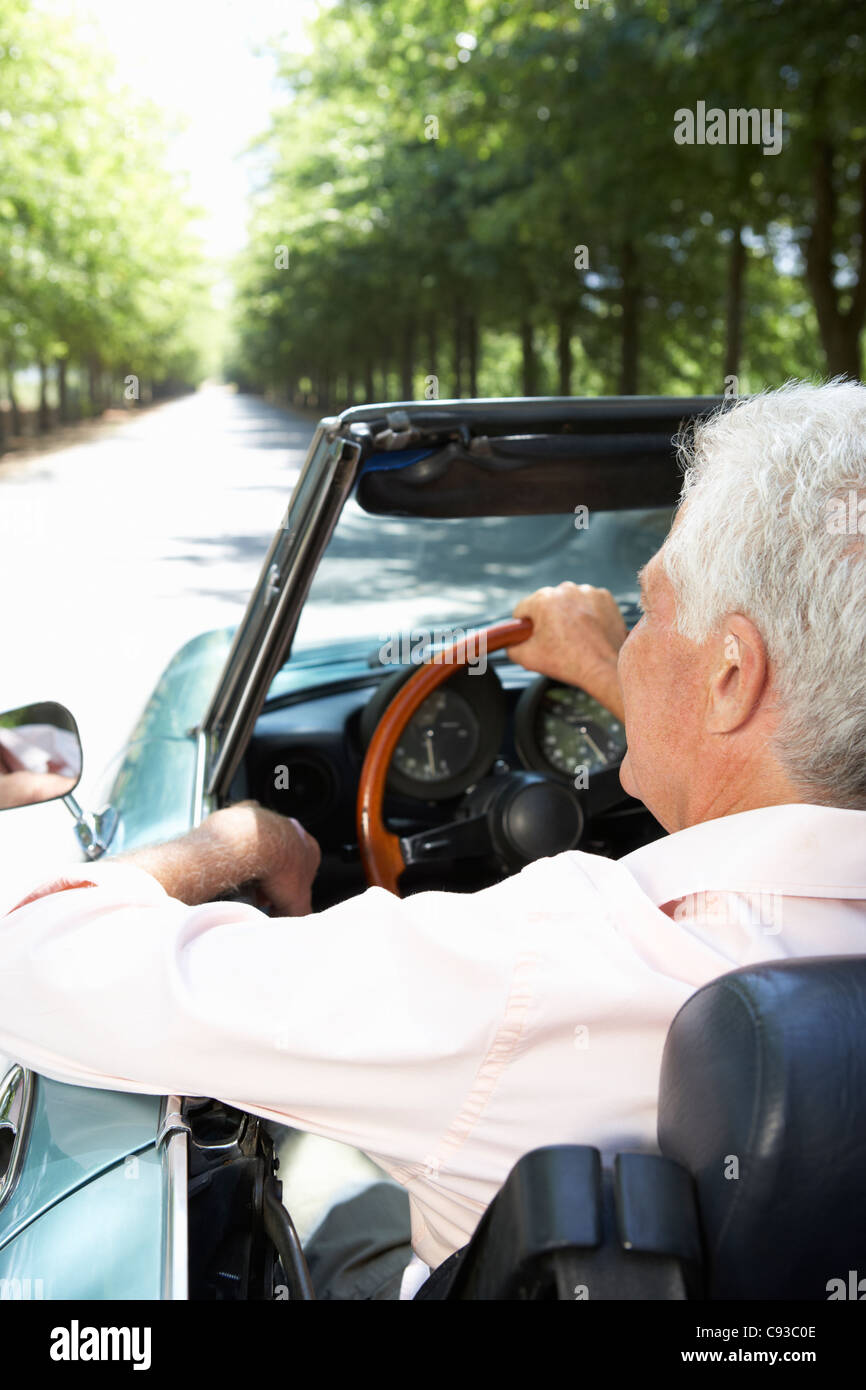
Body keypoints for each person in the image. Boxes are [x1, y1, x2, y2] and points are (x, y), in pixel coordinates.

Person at [1, 379, 865, 1299]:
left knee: (329, 1166)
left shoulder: (541, 961)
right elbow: (771, 799)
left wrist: (228, 842)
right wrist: (623, 685)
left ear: (732, 675)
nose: (632, 638)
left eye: (648, 612)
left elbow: (31, 961)